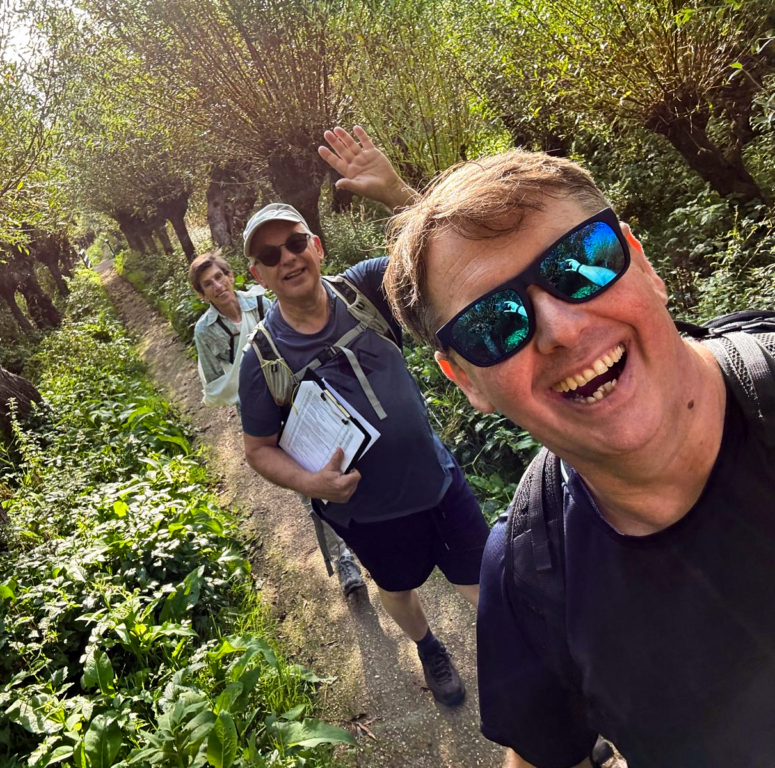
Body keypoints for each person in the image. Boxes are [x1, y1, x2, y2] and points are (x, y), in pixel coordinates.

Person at [378, 143, 775, 766]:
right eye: (493, 323)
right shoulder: (527, 574)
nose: (560, 329)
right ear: (466, 381)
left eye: (580, 262)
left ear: (642, 262)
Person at [238, 128, 490, 707]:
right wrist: (310, 483)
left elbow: (448, 248)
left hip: (438, 480)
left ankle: (546, 703)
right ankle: (428, 647)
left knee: (490, 594)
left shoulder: (370, 287)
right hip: (368, 516)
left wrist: (397, 191)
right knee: (397, 590)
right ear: (258, 274)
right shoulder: (262, 359)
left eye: (295, 243)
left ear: (317, 246)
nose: (287, 259)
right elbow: (258, 449)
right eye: (269, 255)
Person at [189, 250, 366, 597]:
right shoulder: (205, 332)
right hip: (262, 416)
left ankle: (367, 534)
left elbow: (292, 342)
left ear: (231, 276)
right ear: (202, 294)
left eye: (220, 276)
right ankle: (344, 559)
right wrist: (252, 377)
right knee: (308, 484)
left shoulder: (261, 302)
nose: (217, 285)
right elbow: (214, 386)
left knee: (340, 462)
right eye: (208, 284)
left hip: (302, 399)